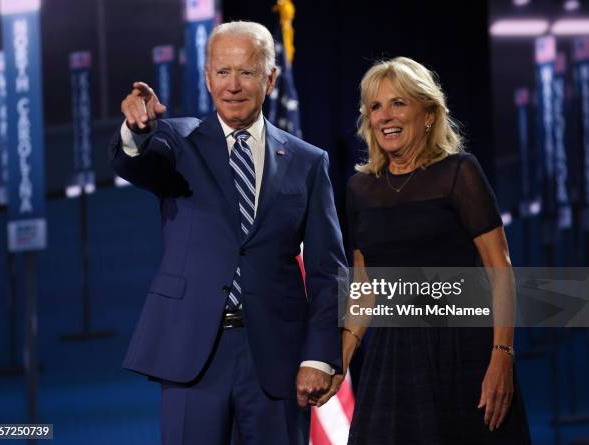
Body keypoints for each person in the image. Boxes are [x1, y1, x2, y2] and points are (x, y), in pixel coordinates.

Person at [110, 21, 347, 445]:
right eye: (222, 72)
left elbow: (329, 271)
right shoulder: (176, 142)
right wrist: (136, 131)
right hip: (191, 352)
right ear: (207, 77)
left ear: (270, 79)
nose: (233, 86)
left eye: (246, 72)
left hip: (276, 357)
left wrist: (319, 355)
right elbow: (136, 162)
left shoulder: (308, 162)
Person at [320, 57, 531, 444]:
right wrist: (340, 360)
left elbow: (500, 269)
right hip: (393, 358)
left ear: (429, 113)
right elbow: (365, 288)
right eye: (376, 106)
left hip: (463, 352)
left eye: (398, 103)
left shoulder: (459, 173)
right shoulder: (360, 190)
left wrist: (502, 355)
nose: (385, 115)